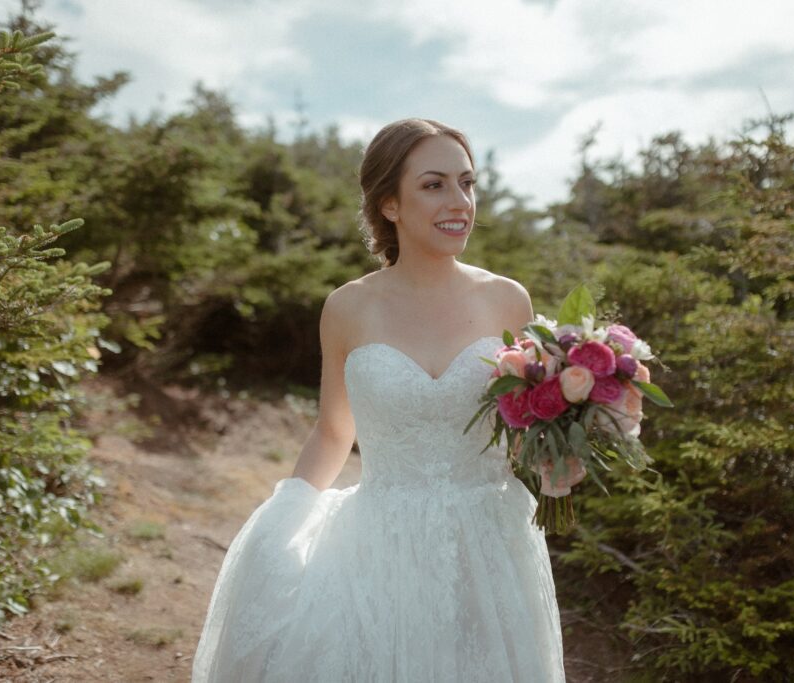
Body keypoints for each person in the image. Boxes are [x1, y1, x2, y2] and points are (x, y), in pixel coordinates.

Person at [192, 118, 566, 682]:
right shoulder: (349, 308)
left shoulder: (506, 300)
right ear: (389, 204)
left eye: (467, 182)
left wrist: (562, 449)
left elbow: (525, 422)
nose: (459, 201)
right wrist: (284, 520)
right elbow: (333, 431)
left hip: (491, 544)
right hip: (382, 541)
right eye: (434, 184)